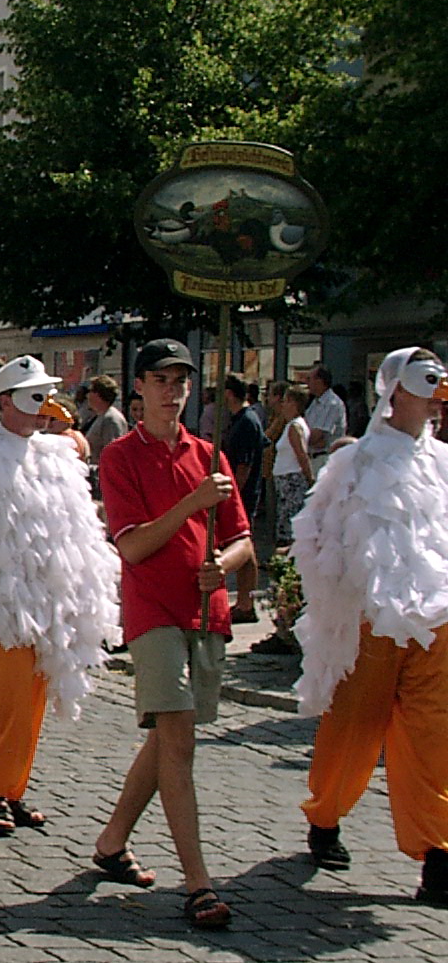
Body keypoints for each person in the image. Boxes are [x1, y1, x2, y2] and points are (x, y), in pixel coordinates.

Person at [92, 338, 253, 931]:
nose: (172, 391)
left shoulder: (210, 453)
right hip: (153, 609)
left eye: (181, 381)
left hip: (204, 610)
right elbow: (132, 545)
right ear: (139, 387)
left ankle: (112, 841)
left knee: (166, 737)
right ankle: (198, 883)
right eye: (160, 379)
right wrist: (191, 502)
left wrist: (227, 566)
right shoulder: (121, 458)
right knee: (179, 739)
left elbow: (241, 538)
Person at [0, 354, 120, 838]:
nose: (44, 408)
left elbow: (77, 530)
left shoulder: (56, 459)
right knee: (7, 697)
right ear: (6, 402)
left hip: (45, 603)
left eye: (47, 398)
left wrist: (82, 592)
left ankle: (12, 789)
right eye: (35, 397)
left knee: (34, 698)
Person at [292, 348, 448, 906]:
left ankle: (437, 853)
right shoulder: (355, 462)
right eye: (426, 379)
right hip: (372, 625)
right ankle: (325, 815)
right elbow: (316, 541)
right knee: (355, 730)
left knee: (434, 735)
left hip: (437, 625)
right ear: (397, 389)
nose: (437, 391)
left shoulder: (444, 461)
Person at [220, 374, 264, 623]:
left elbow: (244, 465)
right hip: (240, 492)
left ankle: (246, 603)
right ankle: (245, 602)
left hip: (243, 493)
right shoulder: (240, 419)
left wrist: (231, 494)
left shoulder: (247, 421)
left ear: (229, 393)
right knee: (244, 545)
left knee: (244, 546)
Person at [272, 383, 313, 546]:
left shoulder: (295, 427)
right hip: (285, 482)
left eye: (286, 401)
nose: (283, 405)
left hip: (292, 481)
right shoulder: (289, 425)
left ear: (295, 404)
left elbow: (302, 455)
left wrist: (310, 480)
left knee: (289, 524)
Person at [304, 366, 346, 471]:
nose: (306, 383)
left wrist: (300, 438)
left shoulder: (332, 404)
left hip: (323, 459)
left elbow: (316, 437)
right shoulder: (314, 403)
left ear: (320, 381)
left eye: (309, 379)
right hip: (311, 457)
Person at [84, 374, 128, 466]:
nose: (87, 395)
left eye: (90, 391)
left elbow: (113, 453)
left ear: (98, 394)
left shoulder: (111, 419)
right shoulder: (100, 416)